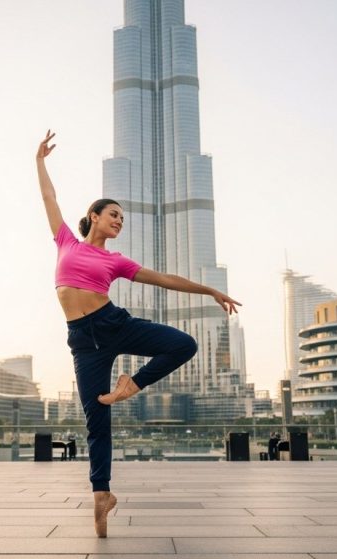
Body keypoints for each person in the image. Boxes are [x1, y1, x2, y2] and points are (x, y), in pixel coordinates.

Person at [36, 130, 241, 537]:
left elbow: (164, 279)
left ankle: (134, 383)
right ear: (94, 215)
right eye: (114, 214)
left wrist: (210, 289)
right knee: (97, 420)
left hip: (114, 324)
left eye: (123, 219)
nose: (119, 221)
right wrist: (39, 161)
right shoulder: (66, 241)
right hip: (82, 341)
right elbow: (49, 199)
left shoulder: (115, 261)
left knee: (184, 344)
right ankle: (102, 495)